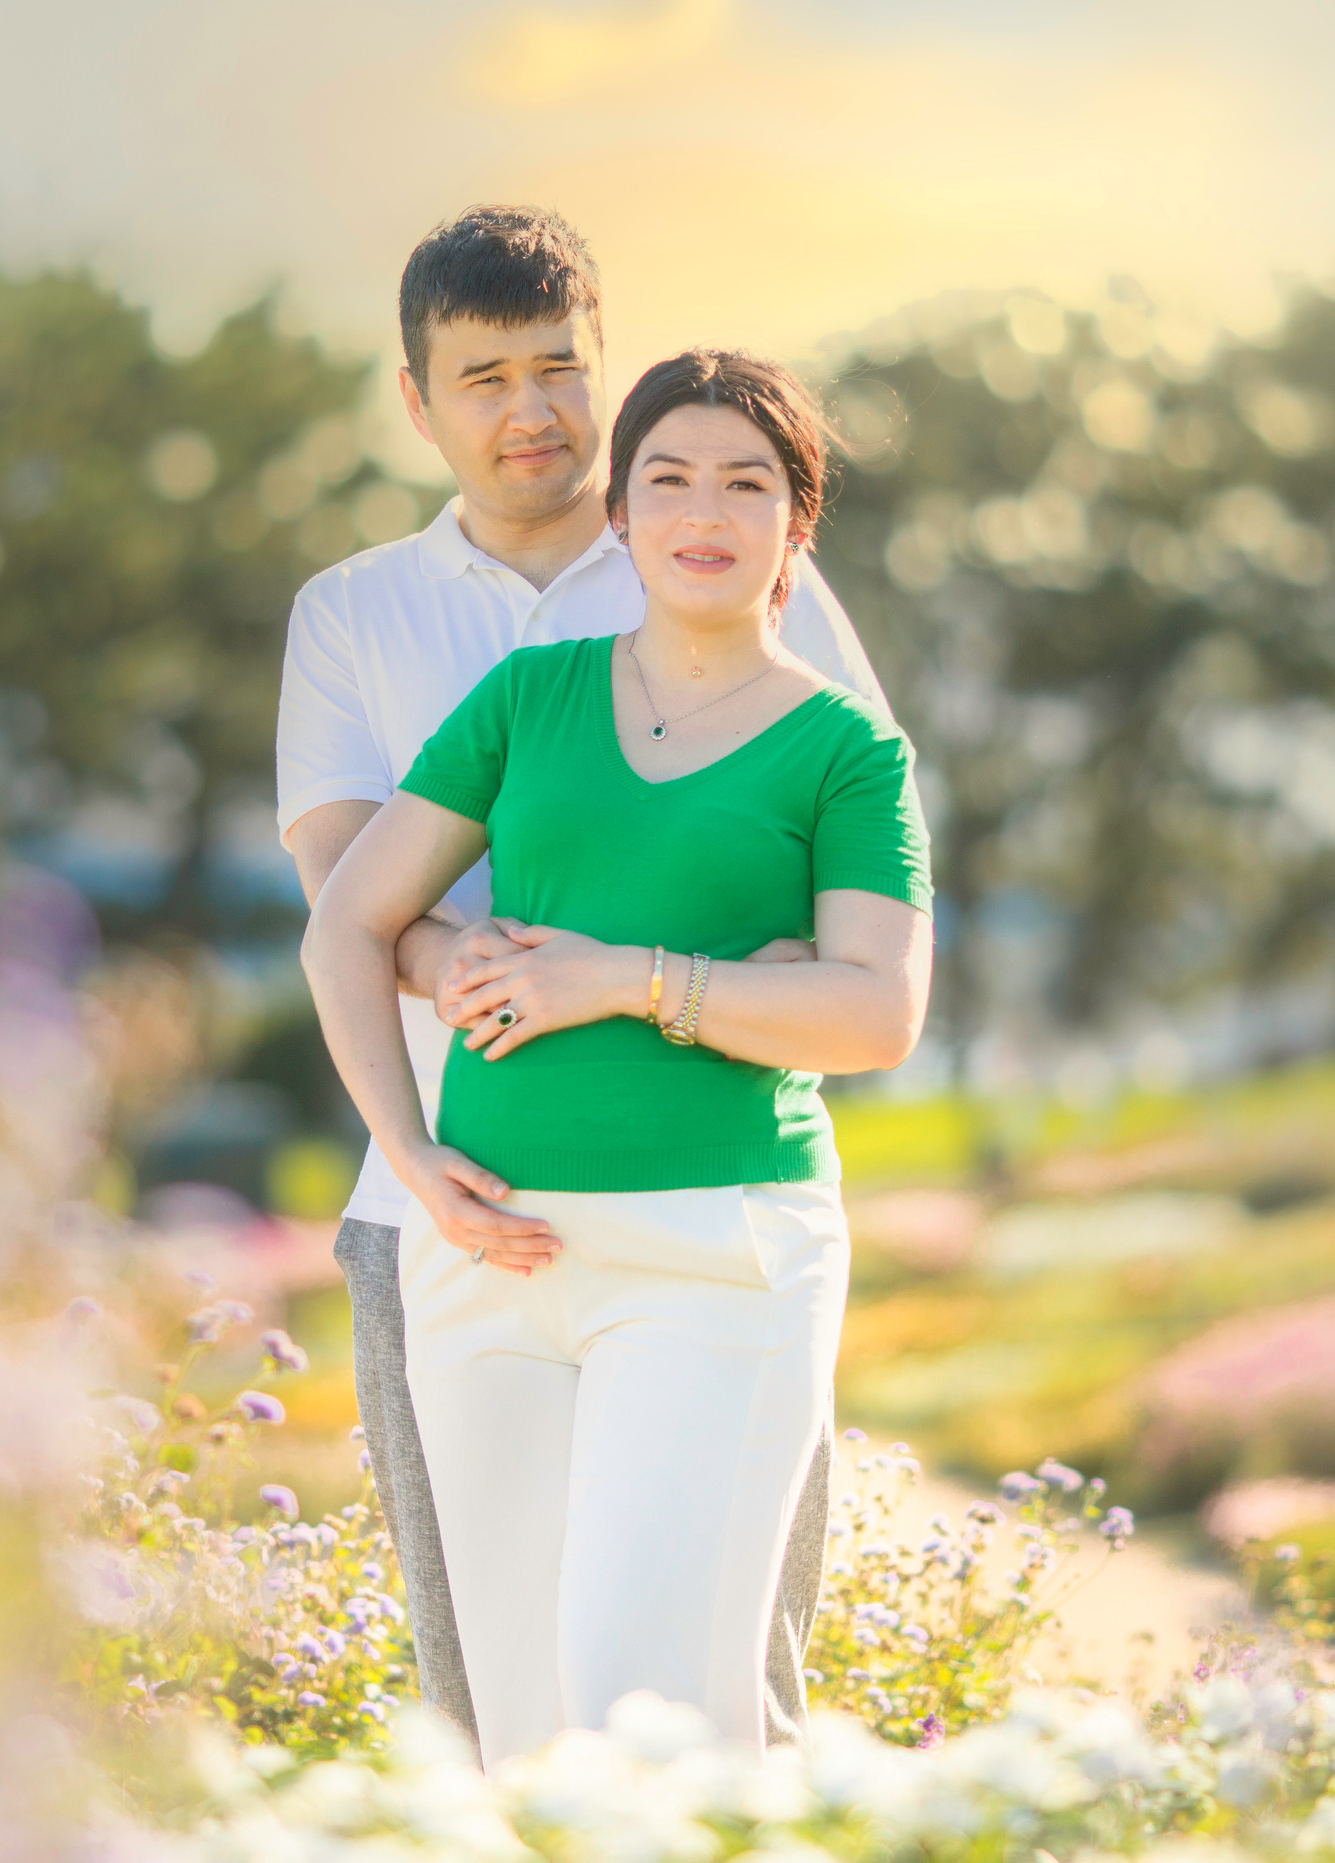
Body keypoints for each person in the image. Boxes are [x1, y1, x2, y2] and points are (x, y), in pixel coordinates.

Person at [273, 206, 890, 1753]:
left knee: (715, 1690)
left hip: (706, 1193)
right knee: (488, 1699)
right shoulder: (353, 611)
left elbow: (856, 884)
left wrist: (623, 974)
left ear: (604, 368)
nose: (530, 411)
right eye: (483, 379)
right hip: (442, 1194)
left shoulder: (726, 552)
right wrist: (467, 962)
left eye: (558, 368)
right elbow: (348, 895)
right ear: (417, 400)